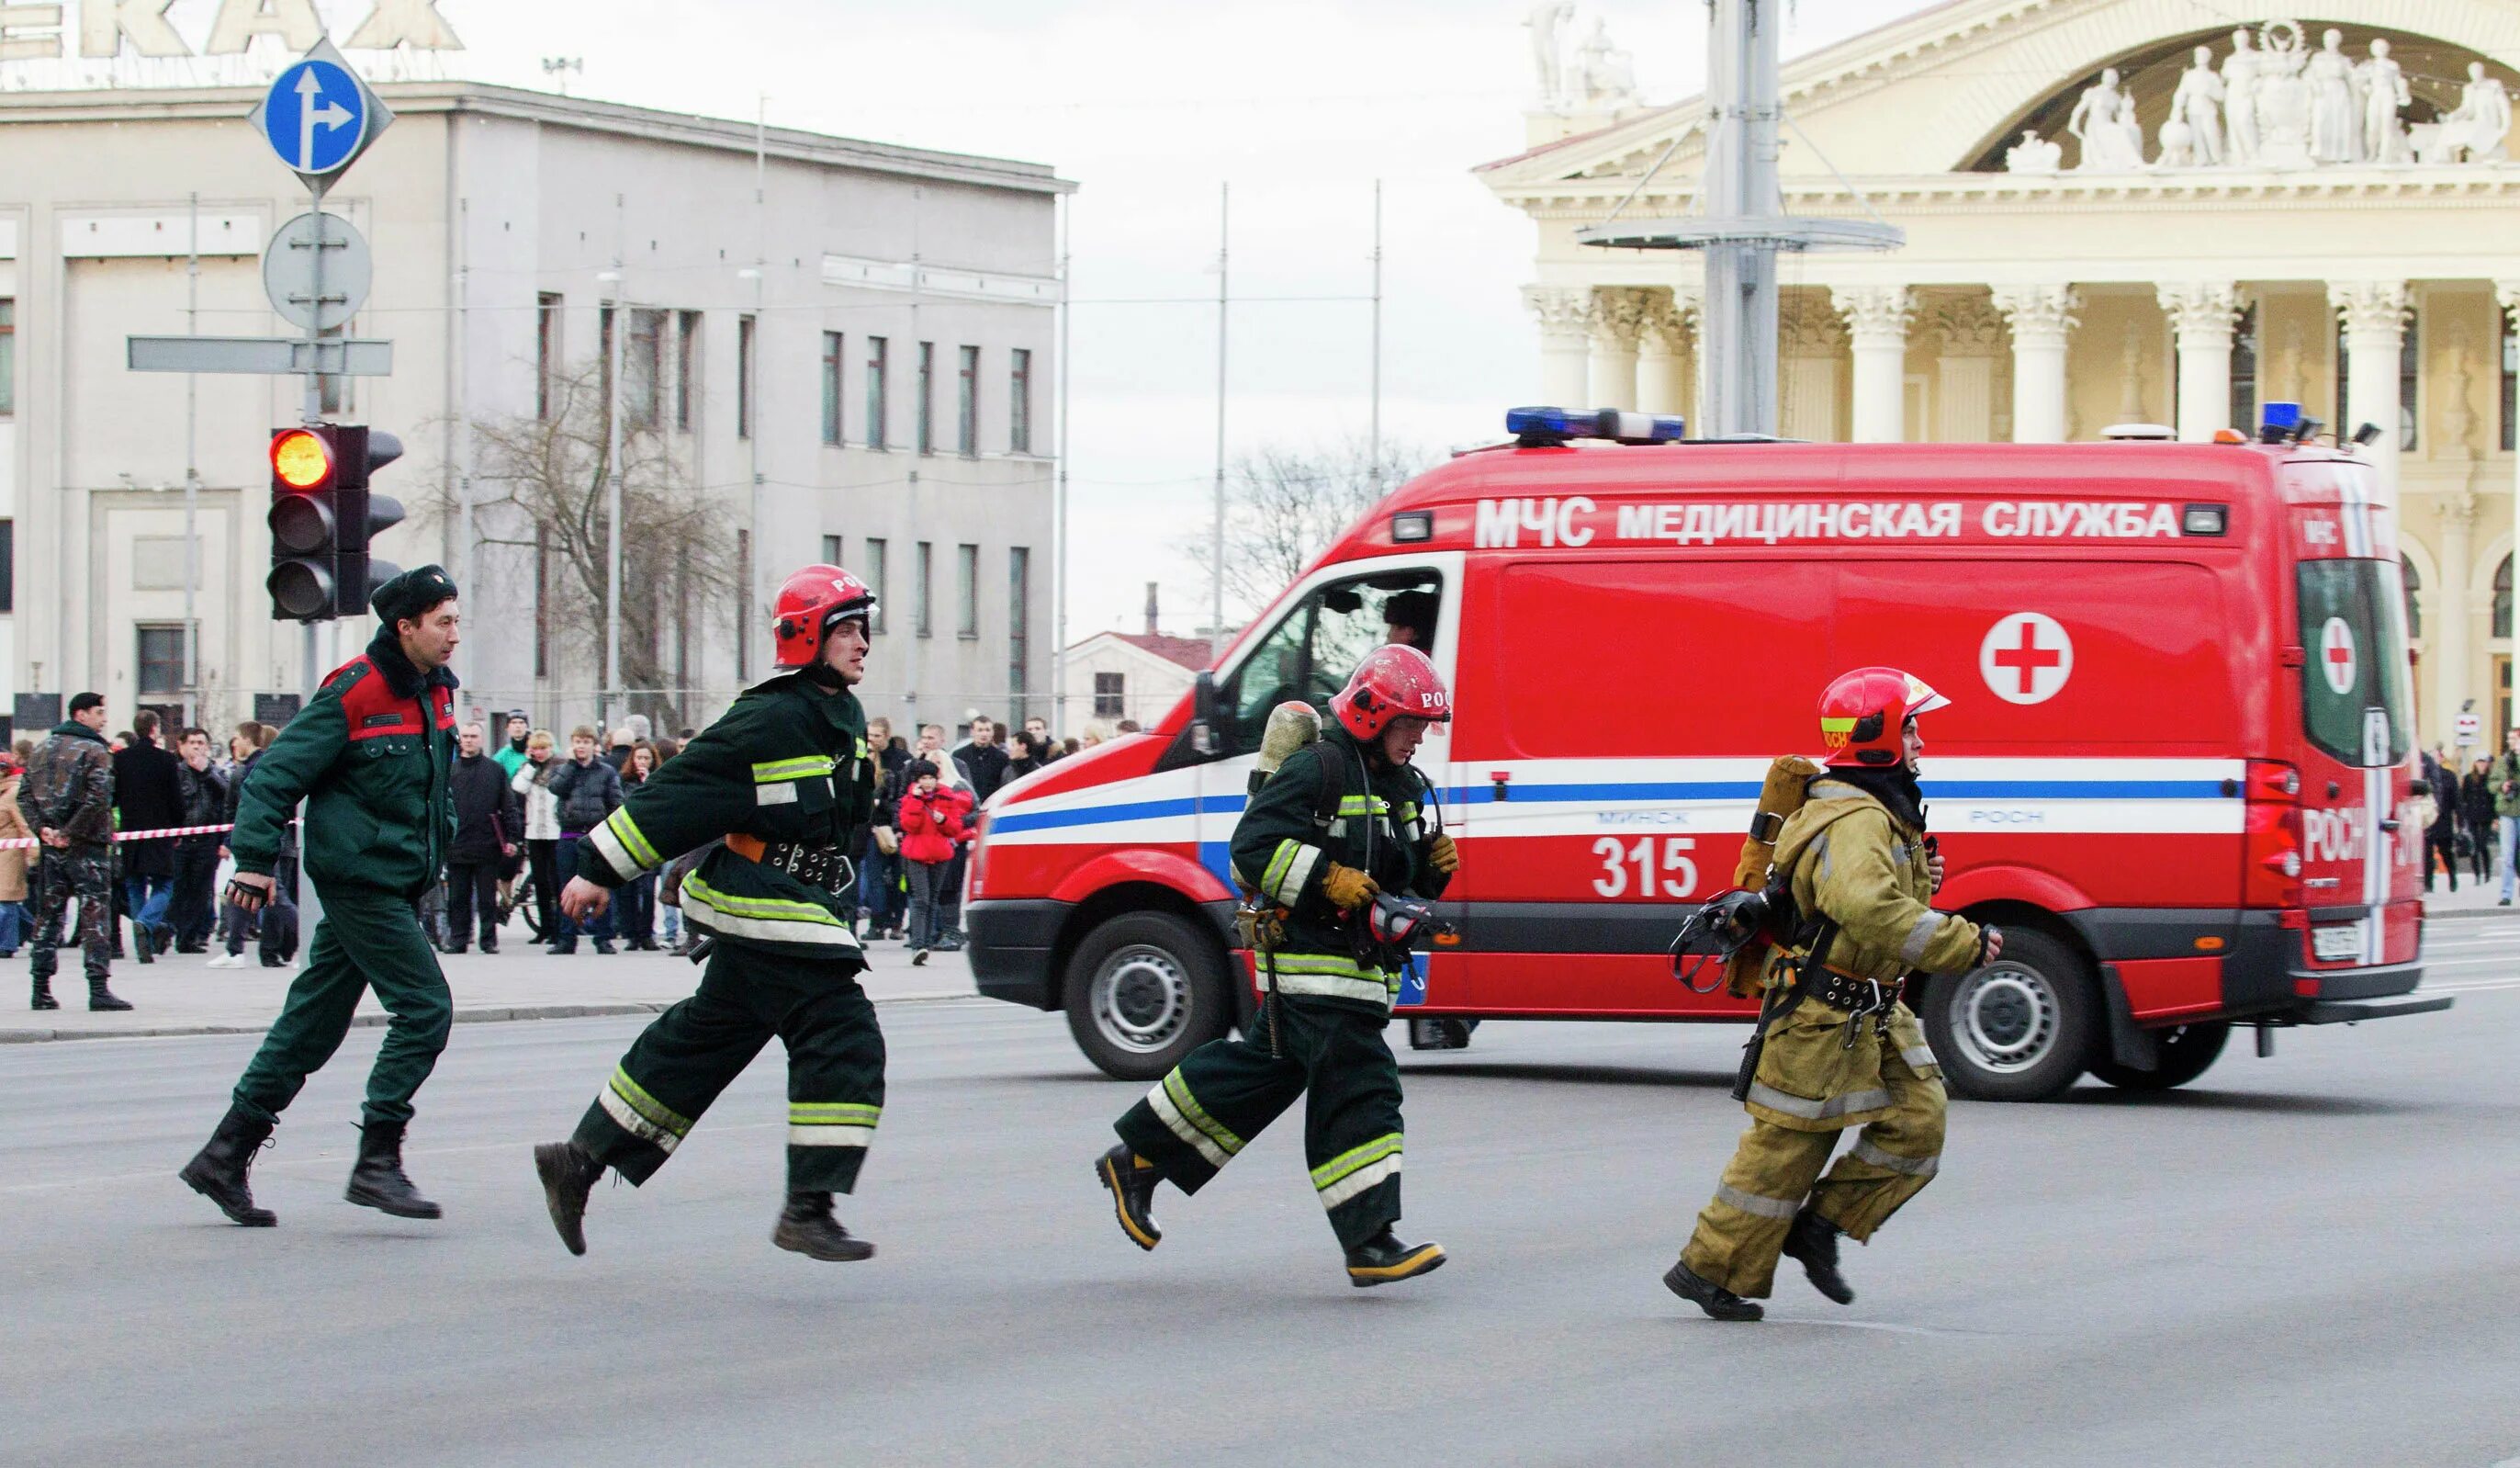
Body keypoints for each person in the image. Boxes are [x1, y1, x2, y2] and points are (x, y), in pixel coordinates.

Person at [533, 562, 885, 1262]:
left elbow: (841, 821)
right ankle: (807, 1208)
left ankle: (579, 1159)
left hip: (806, 908)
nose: (862, 643)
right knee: (844, 1039)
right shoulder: (767, 716)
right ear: (807, 636)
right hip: (767, 905)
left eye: (863, 630)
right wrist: (597, 870)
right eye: (847, 629)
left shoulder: (841, 716)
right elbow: (679, 793)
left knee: (703, 1040)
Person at [1096, 646, 1457, 1287]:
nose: (1419, 738)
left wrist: (1429, 871)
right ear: (1374, 715)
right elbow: (1254, 847)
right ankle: (1369, 1239)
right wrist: (1328, 878)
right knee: (1361, 1085)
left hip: (1359, 969)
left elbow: (1392, 884)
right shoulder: (1319, 768)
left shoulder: (1401, 787)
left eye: (1425, 727)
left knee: (1260, 1072)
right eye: (1410, 724)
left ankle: (1140, 1160)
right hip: (1313, 968)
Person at [1664, 668, 1997, 1323]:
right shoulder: (1853, 817)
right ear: (1878, 736)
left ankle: (1819, 1228)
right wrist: (1961, 942)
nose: (1922, 738)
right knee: (1787, 1151)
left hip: (1874, 1006)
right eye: (1911, 725)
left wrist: (1921, 876)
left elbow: (1876, 904)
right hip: (1819, 1015)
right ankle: (1708, 1269)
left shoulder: (1882, 811)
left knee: (1919, 1121)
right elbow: (1868, 908)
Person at [179, 567, 465, 1228]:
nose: (455, 635)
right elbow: (272, 778)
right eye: (443, 621)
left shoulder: (436, 691)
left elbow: (434, 787)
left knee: (311, 1024)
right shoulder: (355, 690)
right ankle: (376, 1161)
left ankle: (223, 1155)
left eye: (456, 620)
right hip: (359, 880)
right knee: (426, 1010)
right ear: (406, 627)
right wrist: (253, 862)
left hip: (396, 879)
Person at [23, 693, 128, 1011]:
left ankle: (40, 989)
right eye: (99, 712)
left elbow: (24, 796)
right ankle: (98, 989)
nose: (104, 718)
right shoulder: (96, 750)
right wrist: (70, 833)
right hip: (88, 846)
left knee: (48, 915)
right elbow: (99, 798)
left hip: (52, 848)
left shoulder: (40, 749)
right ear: (80, 715)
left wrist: (43, 829)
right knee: (95, 914)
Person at [113, 708, 185, 962]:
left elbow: (113, 796)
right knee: (164, 884)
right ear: (154, 729)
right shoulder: (166, 760)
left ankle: (142, 937)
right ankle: (145, 922)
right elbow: (176, 798)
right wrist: (178, 827)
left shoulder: (121, 760)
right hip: (160, 831)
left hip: (131, 831)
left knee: (135, 884)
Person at [445, 721, 522, 954]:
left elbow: (508, 806)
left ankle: (488, 940)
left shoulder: (495, 770)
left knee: (487, 898)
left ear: (481, 739)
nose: (468, 740)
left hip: (487, 844)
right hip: (457, 844)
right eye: (465, 736)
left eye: (473, 736)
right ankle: (458, 939)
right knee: (458, 897)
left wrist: (512, 837)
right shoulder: (451, 771)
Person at [547, 727, 624, 954]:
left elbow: (616, 803)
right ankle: (566, 937)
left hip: (596, 836)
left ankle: (603, 938)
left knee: (601, 884)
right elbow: (556, 788)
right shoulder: (563, 769)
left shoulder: (607, 772)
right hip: (569, 836)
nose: (581, 746)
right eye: (577, 741)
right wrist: (571, 766)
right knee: (566, 889)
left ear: (594, 745)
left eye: (585, 741)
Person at [896, 760, 965, 964]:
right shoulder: (909, 799)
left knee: (933, 899)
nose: (928, 783)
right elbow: (909, 825)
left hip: (940, 854)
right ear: (917, 781)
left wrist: (943, 820)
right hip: (916, 853)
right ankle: (918, 944)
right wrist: (917, 802)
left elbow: (955, 828)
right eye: (923, 779)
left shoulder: (947, 796)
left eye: (931, 778)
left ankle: (925, 943)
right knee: (921, 899)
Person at [170, 728, 231, 953]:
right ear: (182, 746)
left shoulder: (215, 771)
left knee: (200, 891)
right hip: (182, 840)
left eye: (201, 742)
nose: (197, 747)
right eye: (192, 742)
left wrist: (206, 773)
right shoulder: (176, 772)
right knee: (179, 888)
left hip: (207, 840)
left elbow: (228, 795)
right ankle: (169, 930)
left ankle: (188, 938)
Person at [512, 730, 564, 941]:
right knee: (540, 882)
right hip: (534, 832)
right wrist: (531, 767)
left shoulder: (560, 767)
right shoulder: (529, 768)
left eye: (543, 748)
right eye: (536, 749)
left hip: (556, 831)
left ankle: (560, 929)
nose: (540, 753)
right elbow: (518, 787)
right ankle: (545, 927)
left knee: (556, 882)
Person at [613, 742, 661, 951]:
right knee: (628, 890)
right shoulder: (623, 781)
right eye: (639, 758)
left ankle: (646, 933)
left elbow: (659, 805)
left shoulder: (658, 780)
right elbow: (620, 804)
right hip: (628, 840)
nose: (642, 762)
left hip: (650, 841)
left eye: (646, 759)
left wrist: (648, 783)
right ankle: (632, 934)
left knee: (648, 890)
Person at [0, 756, 32, 958]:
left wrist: (34, 852)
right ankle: (38, 930)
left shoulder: (13, 792)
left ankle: (7, 945)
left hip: (11, 853)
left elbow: (23, 824)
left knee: (7, 899)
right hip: (2, 849)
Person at [2492, 728, 2520, 908]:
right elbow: (2491, 783)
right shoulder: (2502, 761)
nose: (2511, 742)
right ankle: (2506, 894)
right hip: (2507, 812)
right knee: (2507, 856)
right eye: (2510, 738)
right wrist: (2502, 786)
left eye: (2514, 739)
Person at [2461, 757, 2495, 885]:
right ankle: (2477, 874)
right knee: (2474, 846)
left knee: (2483, 845)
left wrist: (2496, 818)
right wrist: (2462, 815)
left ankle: (2487, 872)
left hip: (2487, 816)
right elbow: (2464, 797)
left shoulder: (2490, 778)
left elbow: (2493, 799)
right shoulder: (2469, 778)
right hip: (2472, 816)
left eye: (2483, 762)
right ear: (2475, 763)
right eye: (2479, 762)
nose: (2481, 765)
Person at [492, 713, 533, 781]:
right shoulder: (503, 754)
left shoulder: (537, 749)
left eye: (521, 722)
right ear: (507, 728)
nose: (518, 726)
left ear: (527, 727)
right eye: (514, 723)